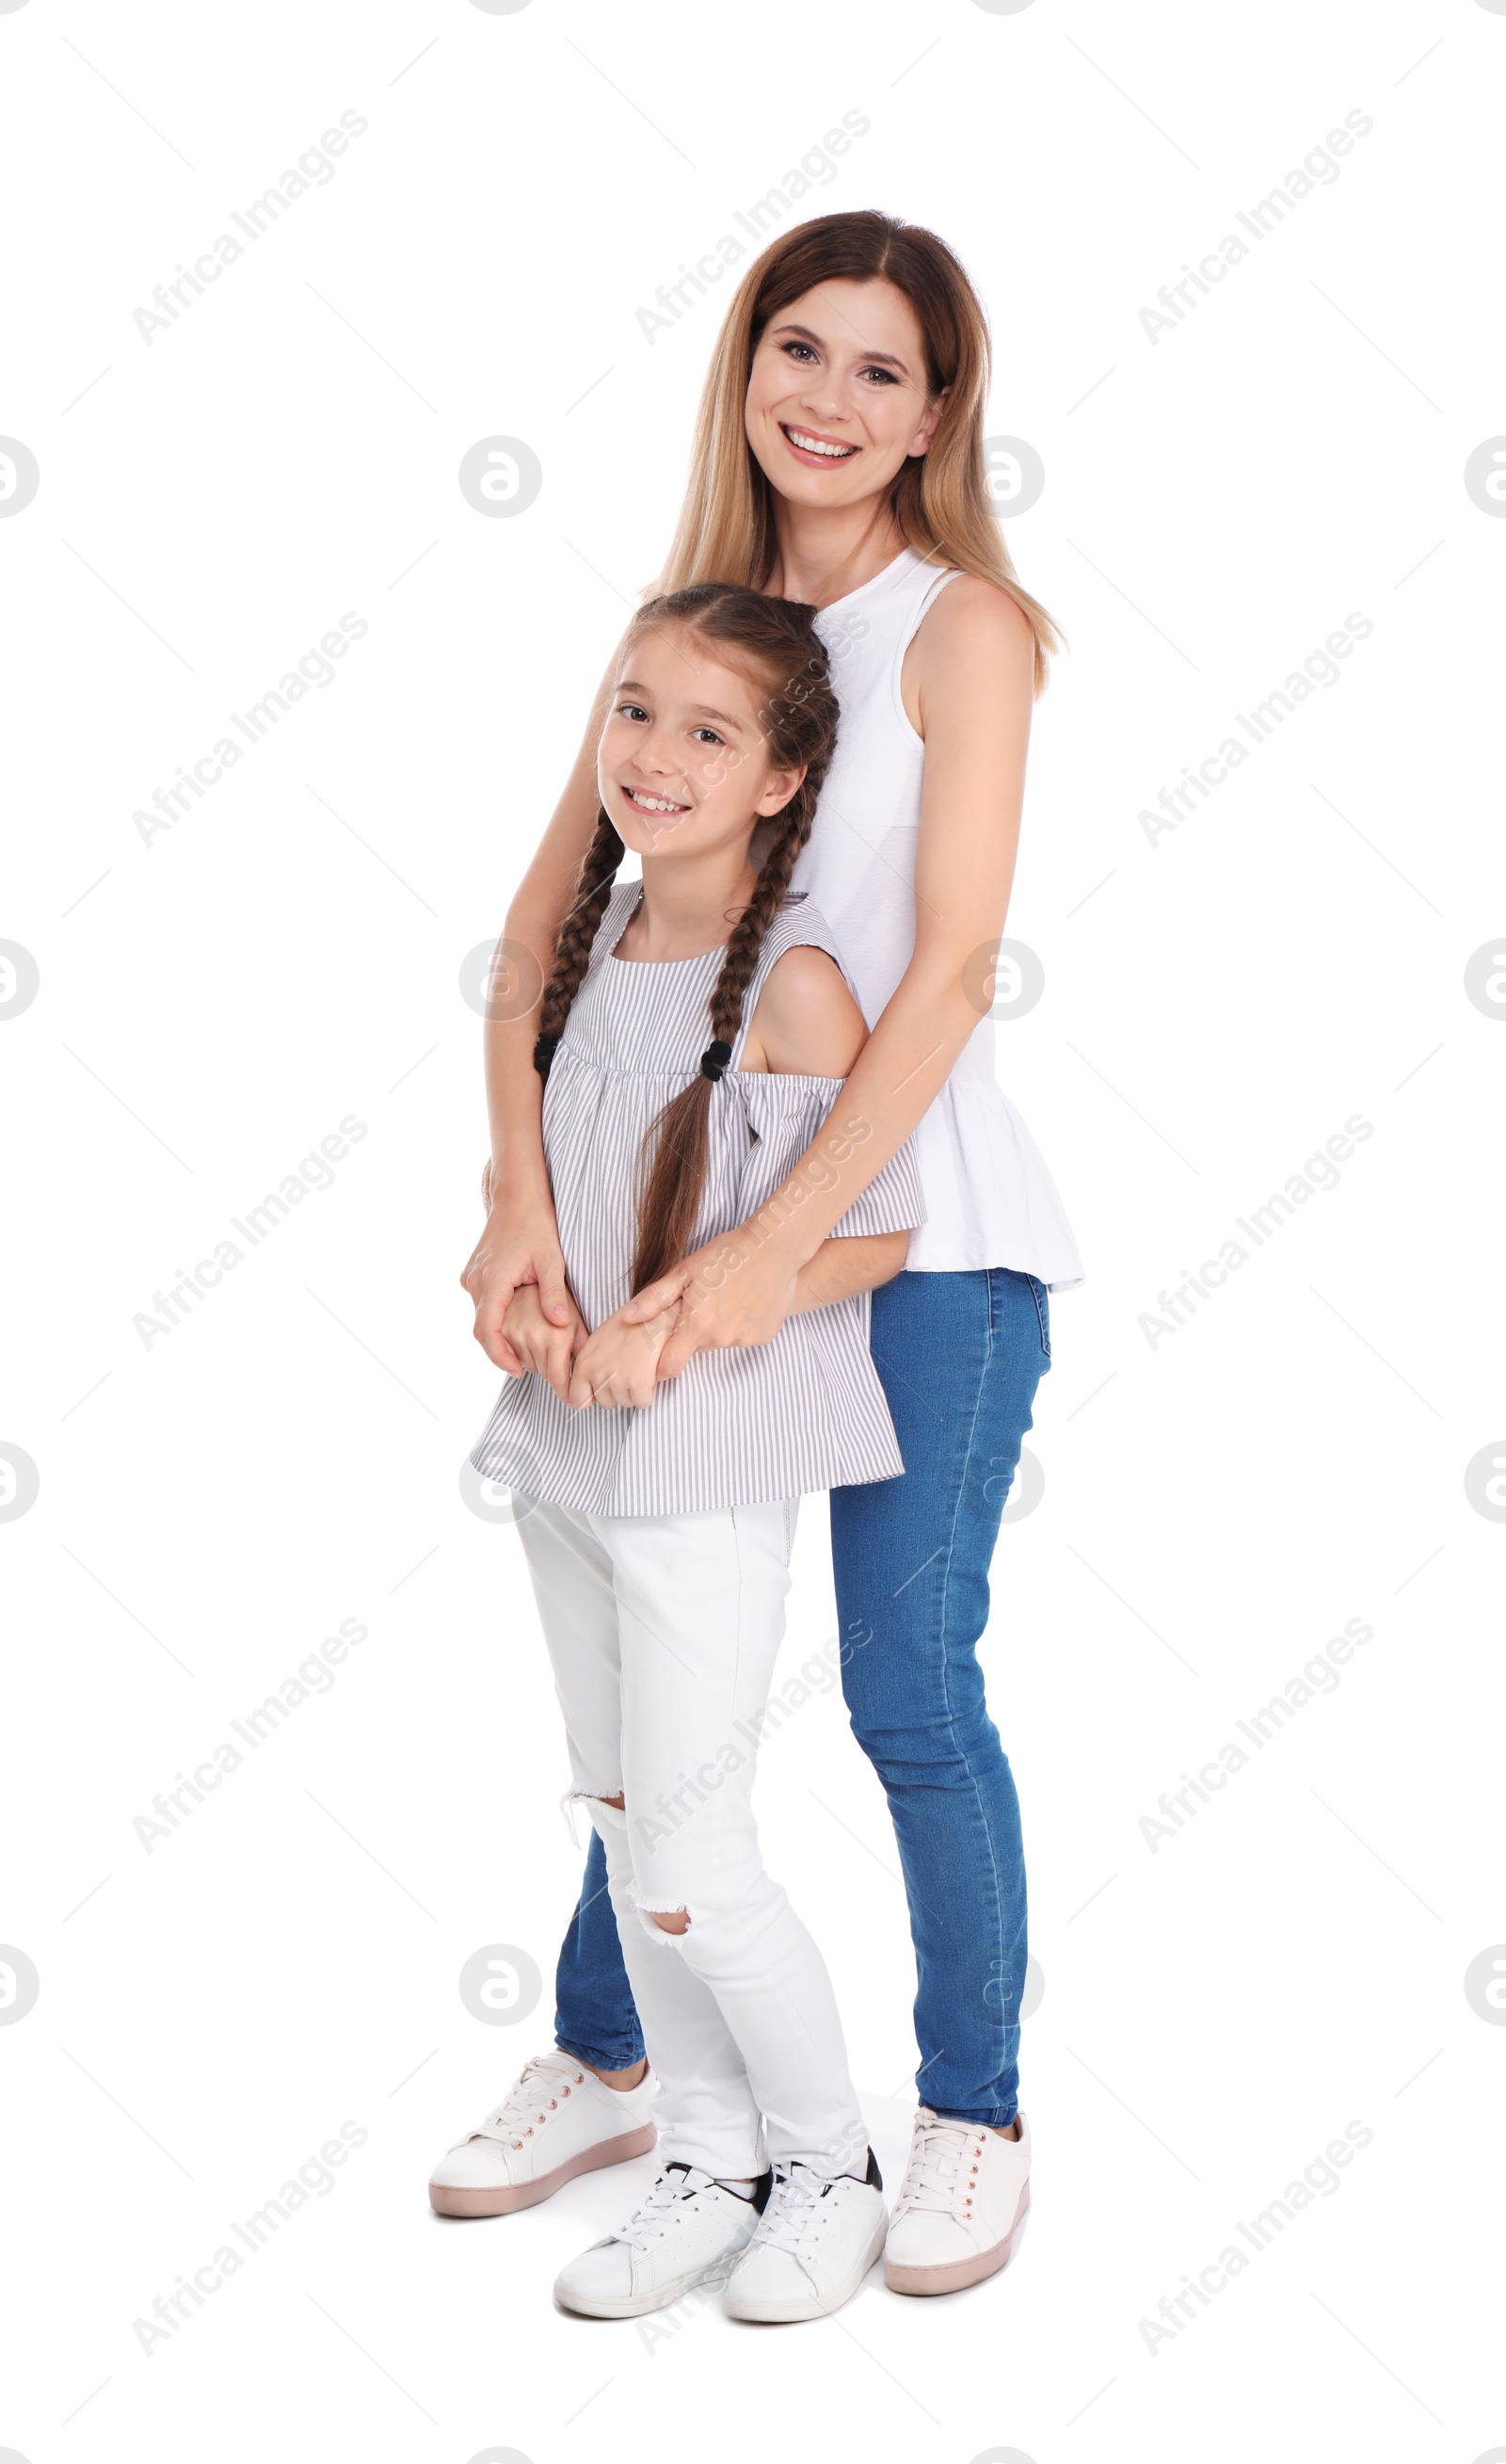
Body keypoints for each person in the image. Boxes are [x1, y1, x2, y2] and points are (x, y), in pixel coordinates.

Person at [440, 210, 1082, 2300]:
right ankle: (615, 2054)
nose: (825, 397)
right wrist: (519, 1205)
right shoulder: (682, 627)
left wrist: (774, 1247)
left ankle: (964, 2111)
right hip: (667, 1245)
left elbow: (957, 964)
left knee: (903, 1683)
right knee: (647, 1689)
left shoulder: (961, 626)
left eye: (879, 369)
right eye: (792, 349)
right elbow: (546, 930)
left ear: (935, 411)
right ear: (740, 369)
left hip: (912, 1241)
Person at [444, 583, 924, 2322]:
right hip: (570, 1455)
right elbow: (554, 1193)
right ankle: (708, 2157)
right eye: (635, 712)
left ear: (785, 777)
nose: (654, 755)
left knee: (702, 1864)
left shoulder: (789, 984)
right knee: (633, 1826)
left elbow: (874, 1226)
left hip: (705, 1463)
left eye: (709, 732)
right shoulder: (587, 949)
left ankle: (830, 2160)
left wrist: (693, 1310)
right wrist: (531, 1283)